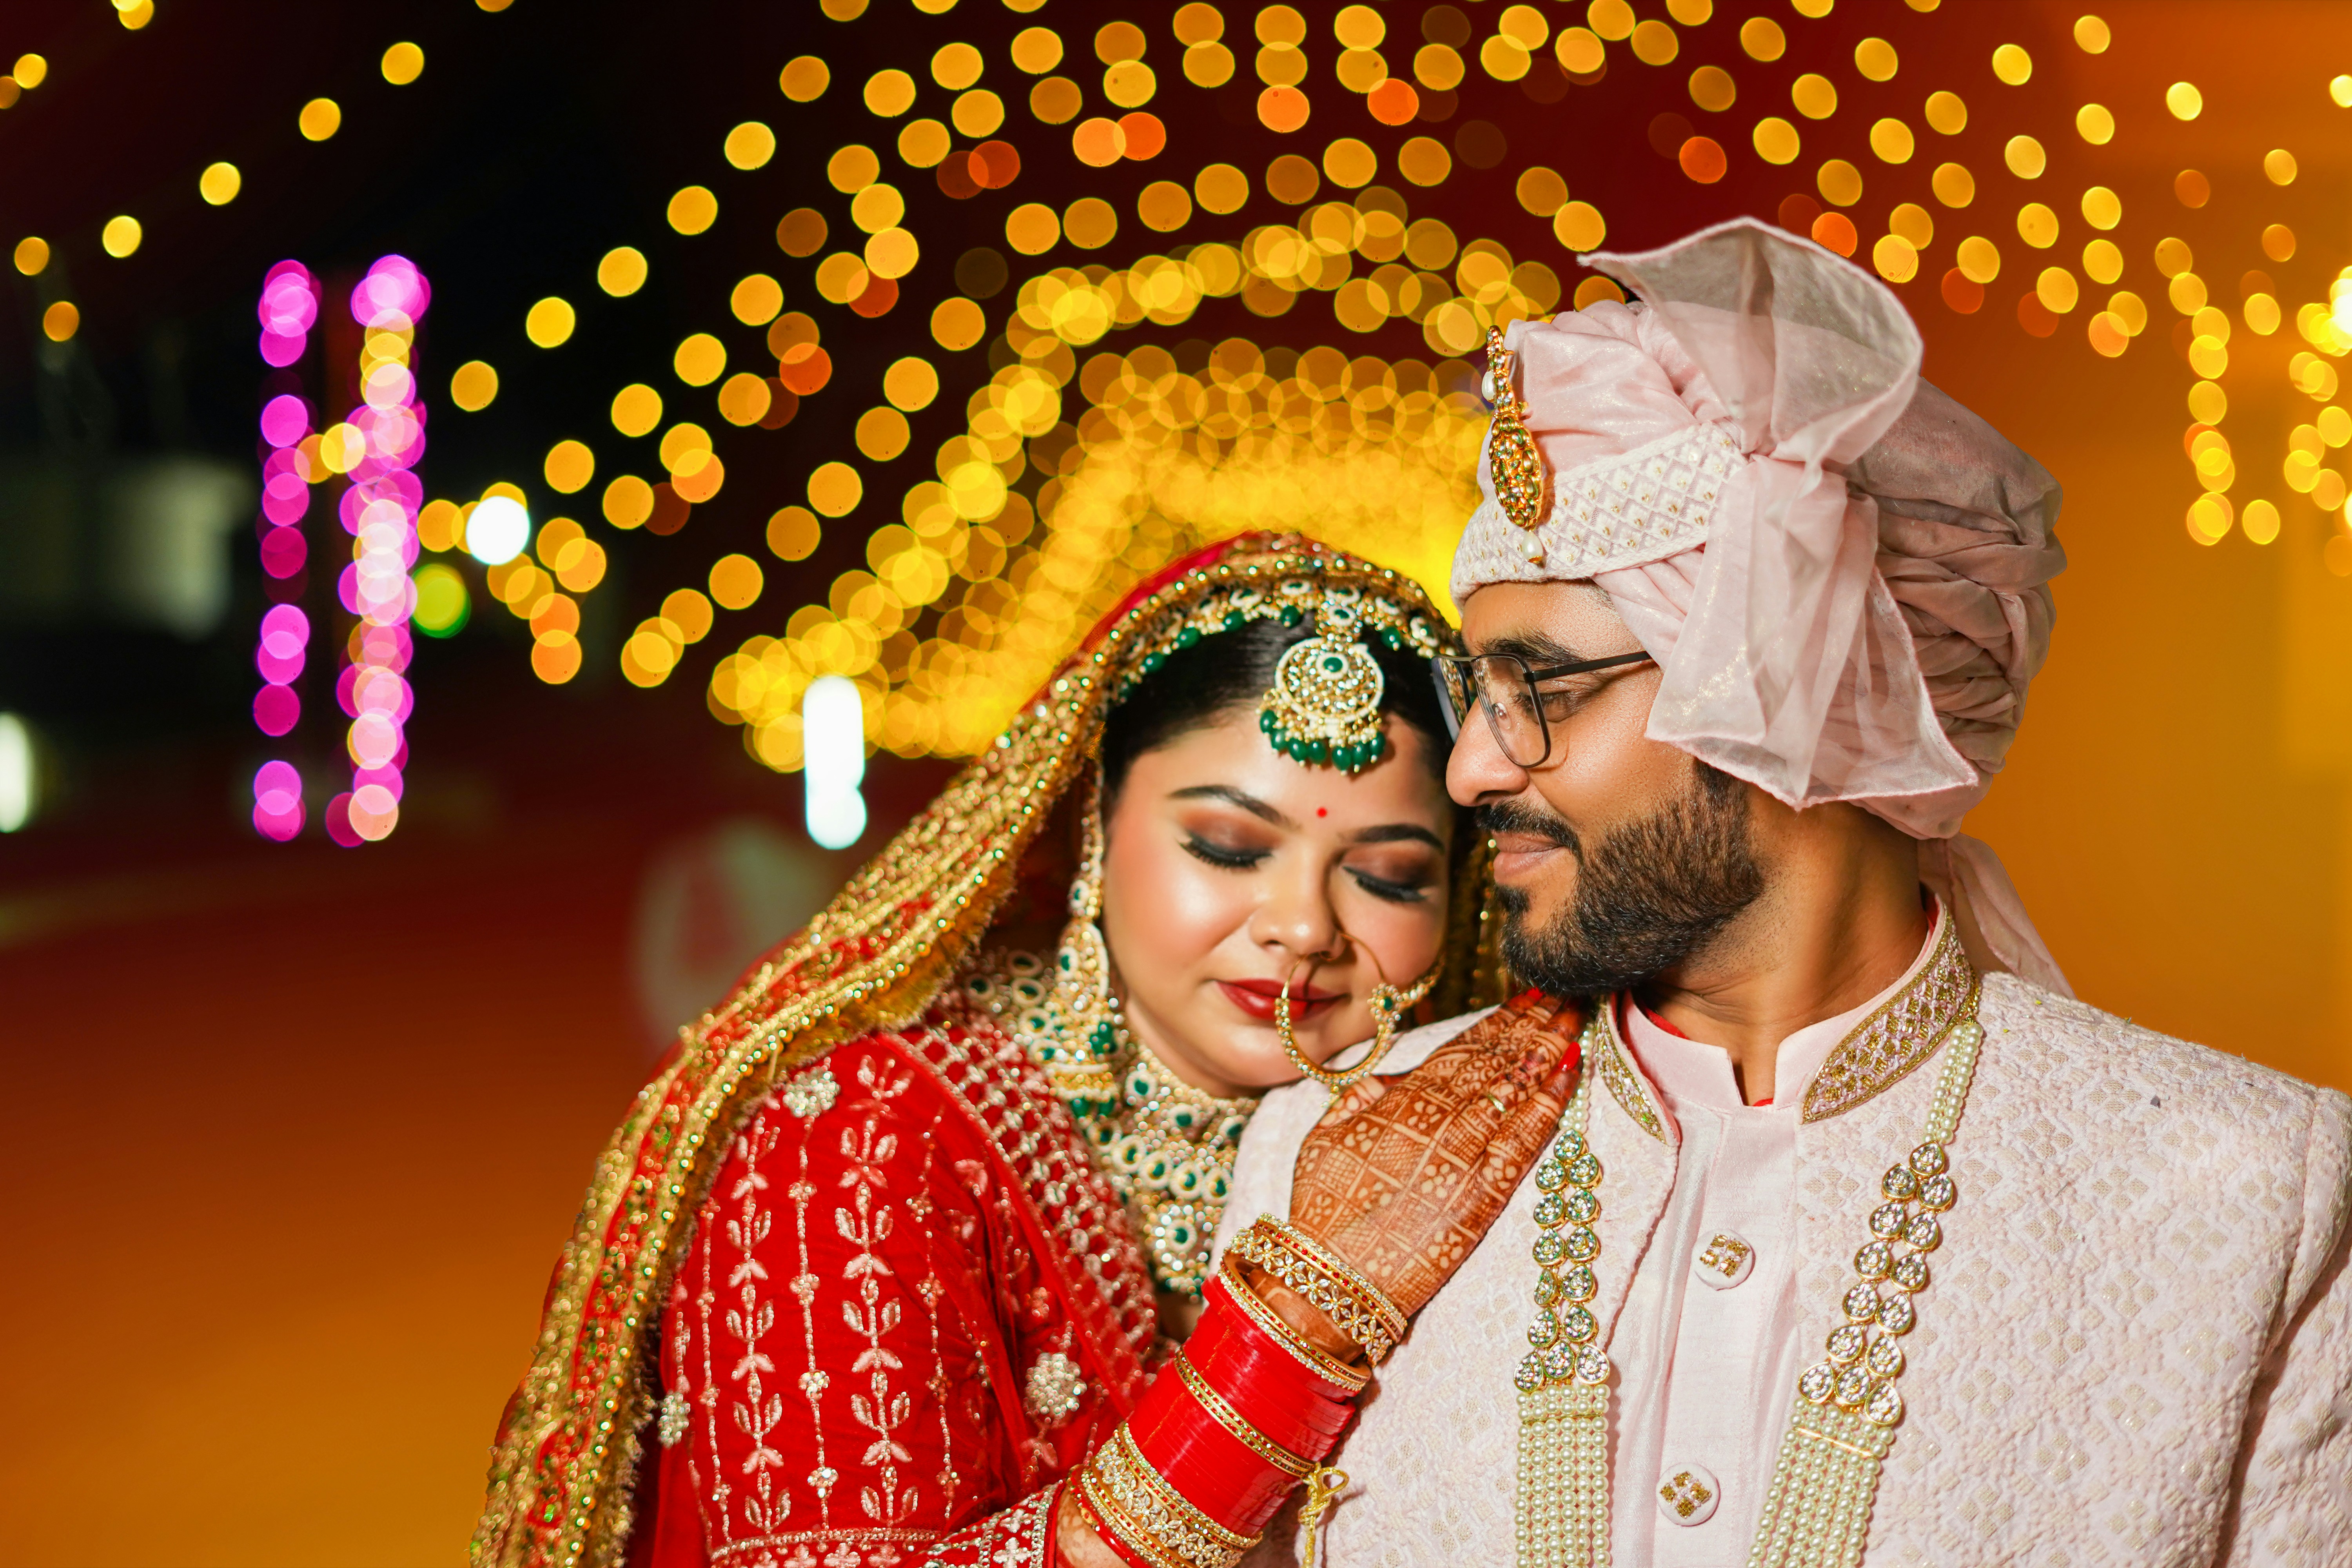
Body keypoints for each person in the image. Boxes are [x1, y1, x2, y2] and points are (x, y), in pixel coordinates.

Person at [1218, 220, 2352, 1566]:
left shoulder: (2243, 1196)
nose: (1468, 769)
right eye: (1480, 691)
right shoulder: (1329, 1155)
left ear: (1780, 684)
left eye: (1542, 690)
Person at [471, 533, 1505, 1568]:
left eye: (1387, 876)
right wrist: (1287, 1347)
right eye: (1230, 849)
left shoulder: (1472, 1137)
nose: (1304, 927)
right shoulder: (855, 1141)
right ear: (1093, 824)